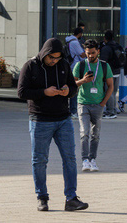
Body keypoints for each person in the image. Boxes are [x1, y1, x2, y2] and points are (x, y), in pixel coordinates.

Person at [17, 38, 88, 212]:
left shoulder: (63, 65)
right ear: (44, 53)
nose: (54, 61)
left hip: (63, 120)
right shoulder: (30, 66)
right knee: (40, 160)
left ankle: (71, 198)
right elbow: (21, 92)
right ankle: (42, 197)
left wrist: (67, 91)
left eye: (57, 58)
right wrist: (44, 92)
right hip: (40, 120)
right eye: (51, 58)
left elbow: (73, 88)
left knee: (70, 159)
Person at [72, 39, 112, 172]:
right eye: (88, 53)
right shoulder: (80, 65)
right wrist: (83, 80)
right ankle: (84, 160)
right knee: (84, 132)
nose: (90, 56)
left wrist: (103, 103)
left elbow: (110, 86)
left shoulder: (105, 66)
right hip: (83, 103)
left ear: (98, 51)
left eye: (93, 53)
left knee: (96, 133)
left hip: (98, 104)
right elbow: (72, 84)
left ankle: (92, 159)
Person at [98, 30, 123, 119]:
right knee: (113, 92)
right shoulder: (117, 46)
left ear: (105, 38)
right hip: (117, 71)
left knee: (109, 92)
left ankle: (110, 112)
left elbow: (102, 62)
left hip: (109, 73)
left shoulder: (106, 48)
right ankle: (113, 109)